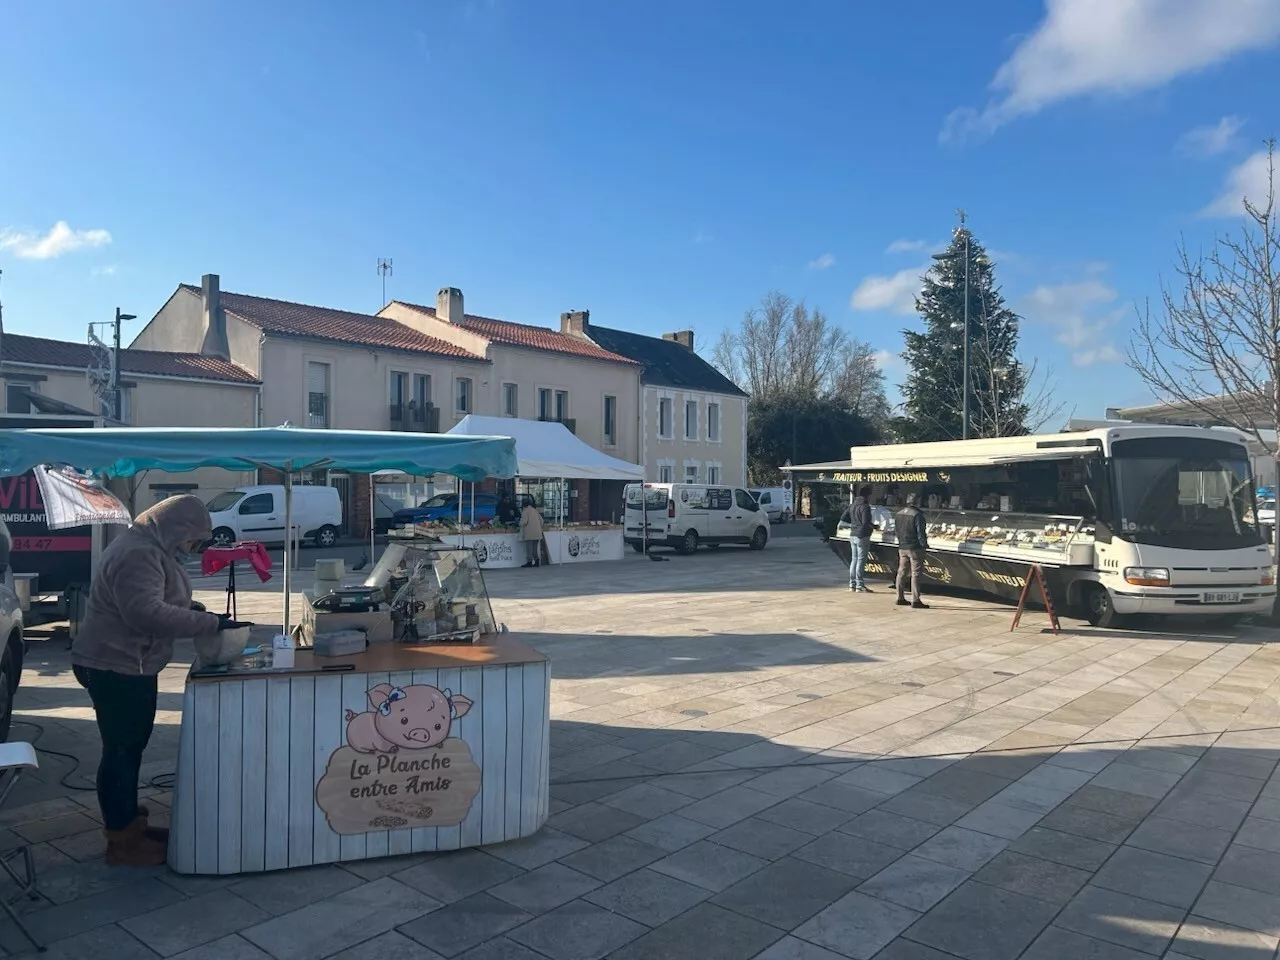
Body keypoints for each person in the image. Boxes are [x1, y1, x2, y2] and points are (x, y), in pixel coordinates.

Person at [72, 495, 237, 866]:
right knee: (122, 751)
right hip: (116, 664)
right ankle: (122, 841)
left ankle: (129, 824)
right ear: (175, 529)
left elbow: (156, 599)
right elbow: (145, 613)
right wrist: (208, 623)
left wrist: (189, 610)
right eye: (193, 541)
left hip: (127, 662)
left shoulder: (148, 546)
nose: (193, 550)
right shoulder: (139, 553)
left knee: (129, 748)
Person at [894, 492, 930, 609]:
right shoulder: (917, 515)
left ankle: (900, 597)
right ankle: (915, 599)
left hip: (902, 546)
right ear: (917, 502)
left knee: (902, 571)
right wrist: (924, 545)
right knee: (916, 573)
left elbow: (896, 531)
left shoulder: (899, 514)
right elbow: (921, 533)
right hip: (915, 548)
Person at [841, 485, 875, 592]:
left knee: (854, 559)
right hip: (862, 536)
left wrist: (853, 525)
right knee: (861, 560)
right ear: (868, 495)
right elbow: (866, 522)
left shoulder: (853, 505)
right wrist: (873, 528)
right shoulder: (865, 506)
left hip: (853, 534)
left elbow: (843, 517)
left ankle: (852, 584)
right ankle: (860, 584)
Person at [519, 500, 544, 567]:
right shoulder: (535, 510)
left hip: (529, 532)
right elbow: (542, 521)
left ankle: (529, 562)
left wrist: (519, 523)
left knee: (529, 548)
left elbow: (524, 522)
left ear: (523, 505)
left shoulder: (525, 511)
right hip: (537, 532)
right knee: (535, 548)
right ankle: (537, 561)